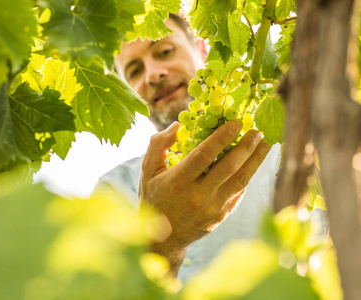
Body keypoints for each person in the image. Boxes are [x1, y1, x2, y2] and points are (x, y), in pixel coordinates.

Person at [94, 13, 281, 281]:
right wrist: (161, 245)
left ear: (202, 50)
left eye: (165, 51)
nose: (153, 73)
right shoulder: (112, 191)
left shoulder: (280, 151)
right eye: (134, 71)